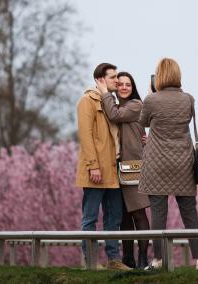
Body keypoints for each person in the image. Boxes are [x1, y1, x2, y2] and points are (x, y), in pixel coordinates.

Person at [138, 58, 198, 271]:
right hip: (183, 163)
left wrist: (150, 93)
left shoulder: (151, 100)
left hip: (157, 163)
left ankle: (158, 261)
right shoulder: (188, 99)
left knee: (159, 215)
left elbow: (143, 122)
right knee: (190, 214)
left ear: (158, 76)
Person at [76, 63, 131, 271]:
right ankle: (89, 260)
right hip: (97, 169)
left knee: (114, 217)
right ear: (100, 79)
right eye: (113, 77)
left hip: (113, 170)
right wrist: (93, 166)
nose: (117, 80)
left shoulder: (111, 102)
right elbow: (86, 136)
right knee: (90, 217)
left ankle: (113, 260)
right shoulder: (87, 101)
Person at [97, 71, 151, 269]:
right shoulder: (119, 105)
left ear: (133, 87)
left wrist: (105, 93)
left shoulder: (135, 105)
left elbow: (114, 115)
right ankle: (128, 258)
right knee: (124, 216)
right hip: (118, 167)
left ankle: (143, 257)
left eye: (128, 84)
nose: (124, 87)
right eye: (120, 84)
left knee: (138, 213)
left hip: (134, 167)